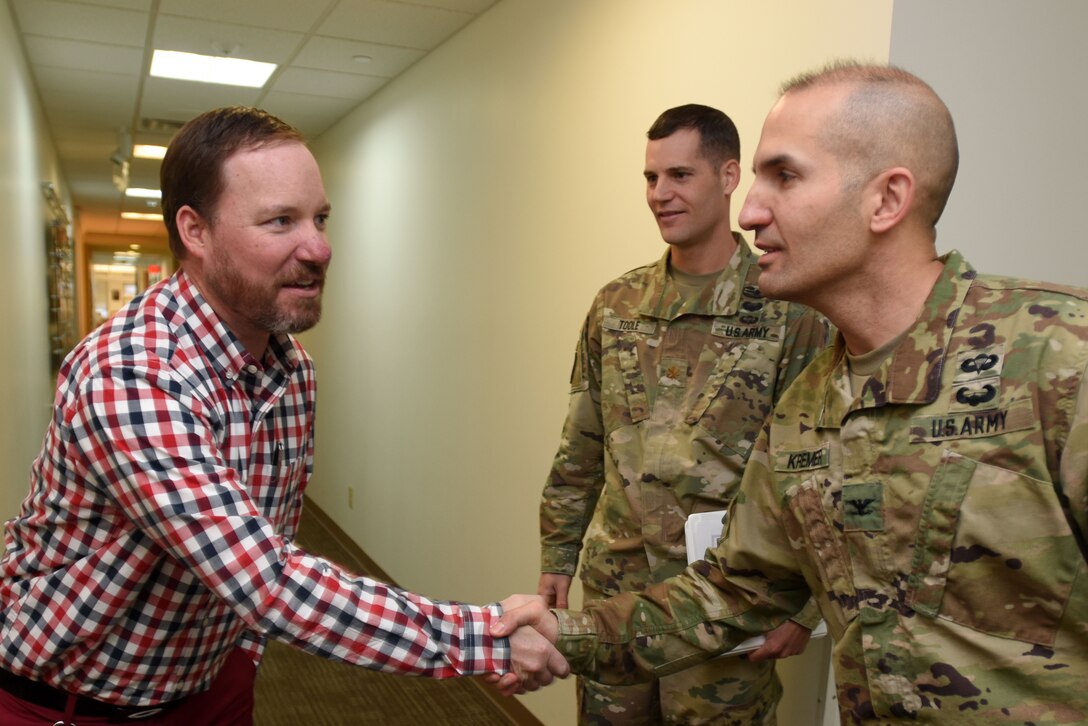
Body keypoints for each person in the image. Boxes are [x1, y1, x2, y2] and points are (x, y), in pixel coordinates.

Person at [495, 61, 1088, 724]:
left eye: (784, 176)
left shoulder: (1056, 358)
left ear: (886, 200)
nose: (748, 211)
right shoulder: (809, 407)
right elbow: (733, 592)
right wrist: (568, 634)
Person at [0, 106, 565, 726]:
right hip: (75, 705)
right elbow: (267, 580)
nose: (319, 248)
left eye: (320, 218)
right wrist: (487, 636)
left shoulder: (292, 368)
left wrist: (242, 656)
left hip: (211, 684)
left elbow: (272, 538)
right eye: (280, 222)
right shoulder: (132, 373)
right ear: (196, 230)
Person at [537, 103, 829, 724]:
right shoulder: (617, 305)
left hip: (725, 600)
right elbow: (581, 446)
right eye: (650, 179)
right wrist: (557, 558)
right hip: (616, 588)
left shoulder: (788, 312)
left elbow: (817, 472)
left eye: (679, 176)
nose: (660, 195)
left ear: (728, 178)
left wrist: (805, 609)